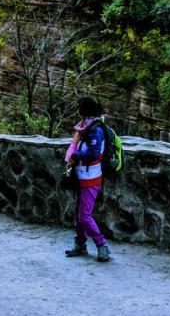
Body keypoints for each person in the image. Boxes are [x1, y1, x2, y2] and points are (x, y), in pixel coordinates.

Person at [64, 96, 111, 262]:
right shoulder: (86, 126)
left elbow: (94, 154)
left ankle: (101, 245)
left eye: (79, 107)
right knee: (79, 214)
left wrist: (75, 155)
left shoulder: (95, 130)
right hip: (82, 176)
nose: (77, 110)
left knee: (84, 215)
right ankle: (81, 244)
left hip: (91, 179)